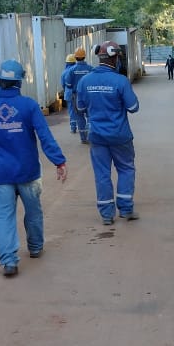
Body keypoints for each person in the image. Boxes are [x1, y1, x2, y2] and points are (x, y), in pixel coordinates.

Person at [0, 60, 68, 278]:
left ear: (0, 81)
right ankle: (35, 247)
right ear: (19, 81)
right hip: (28, 173)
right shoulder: (28, 106)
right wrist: (59, 161)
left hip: (0, 174)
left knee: (3, 216)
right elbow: (45, 136)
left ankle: (8, 261)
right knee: (33, 211)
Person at [75, 41, 140, 224]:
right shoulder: (120, 81)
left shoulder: (85, 81)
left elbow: (80, 107)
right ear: (115, 58)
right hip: (120, 136)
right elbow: (133, 107)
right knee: (126, 169)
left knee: (102, 173)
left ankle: (106, 215)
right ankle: (126, 209)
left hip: (96, 135)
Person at [64, 47, 94, 143]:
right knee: (90, 115)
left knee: (79, 116)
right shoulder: (91, 69)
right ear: (84, 57)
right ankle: (91, 135)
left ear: (75, 57)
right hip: (89, 95)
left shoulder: (71, 70)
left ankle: (83, 138)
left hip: (77, 96)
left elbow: (68, 84)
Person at [61, 53, 78, 132]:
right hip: (78, 93)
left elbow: (63, 84)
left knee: (71, 110)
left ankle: (73, 128)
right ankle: (83, 127)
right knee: (80, 110)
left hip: (68, 93)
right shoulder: (76, 70)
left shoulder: (64, 72)